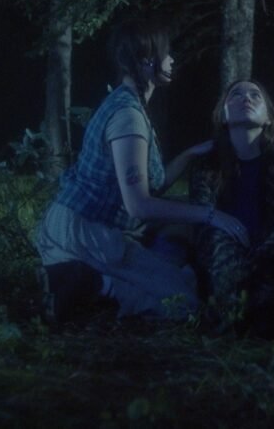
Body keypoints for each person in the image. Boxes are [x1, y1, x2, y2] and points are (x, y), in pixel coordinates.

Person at [34, 17, 249, 322]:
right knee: (183, 304)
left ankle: (80, 278)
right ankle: (94, 285)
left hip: (80, 227)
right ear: (147, 61)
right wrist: (212, 215)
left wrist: (187, 156)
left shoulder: (129, 106)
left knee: (176, 268)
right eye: (166, 53)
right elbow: (139, 204)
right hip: (84, 231)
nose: (172, 60)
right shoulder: (128, 117)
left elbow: (147, 186)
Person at [190, 80, 274, 336]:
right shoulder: (209, 163)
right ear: (223, 115)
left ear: (268, 118)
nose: (247, 98)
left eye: (256, 95)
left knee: (268, 301)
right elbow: (203, 220)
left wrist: (265, 254)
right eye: (236, 94)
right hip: (223, 257)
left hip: (272, 254)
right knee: (234, 301)